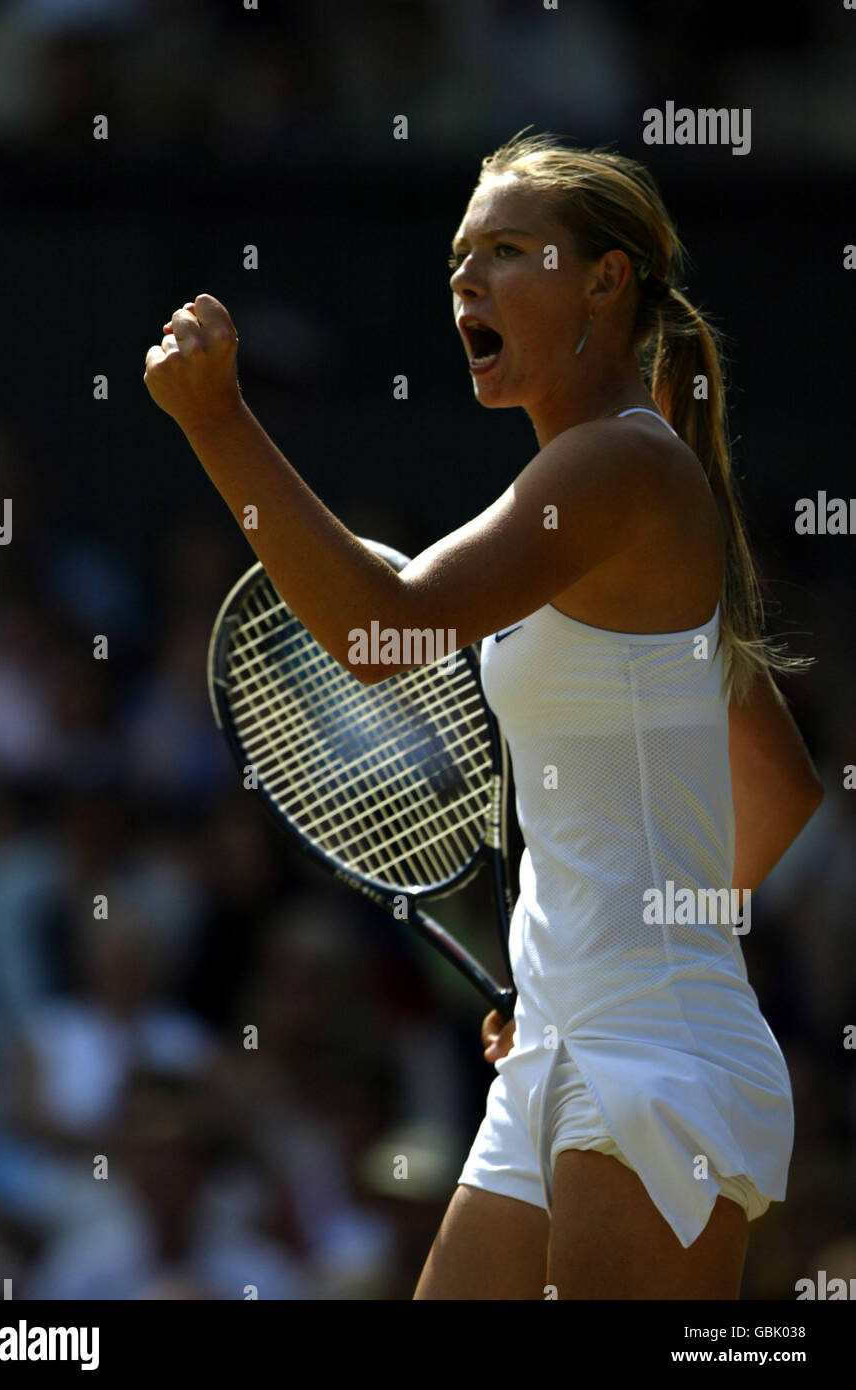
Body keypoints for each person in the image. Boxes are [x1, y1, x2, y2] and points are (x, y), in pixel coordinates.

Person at [144, 130, 823, 1300]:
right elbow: (777, 792)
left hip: (654, 1069)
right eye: (459, 255)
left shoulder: (615, 472)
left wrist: (215, 420)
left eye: (507, 250)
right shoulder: (621, 495)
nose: (464, 278)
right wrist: (584, 963)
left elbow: (378, 632)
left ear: (602, 283)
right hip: (568, 1045)